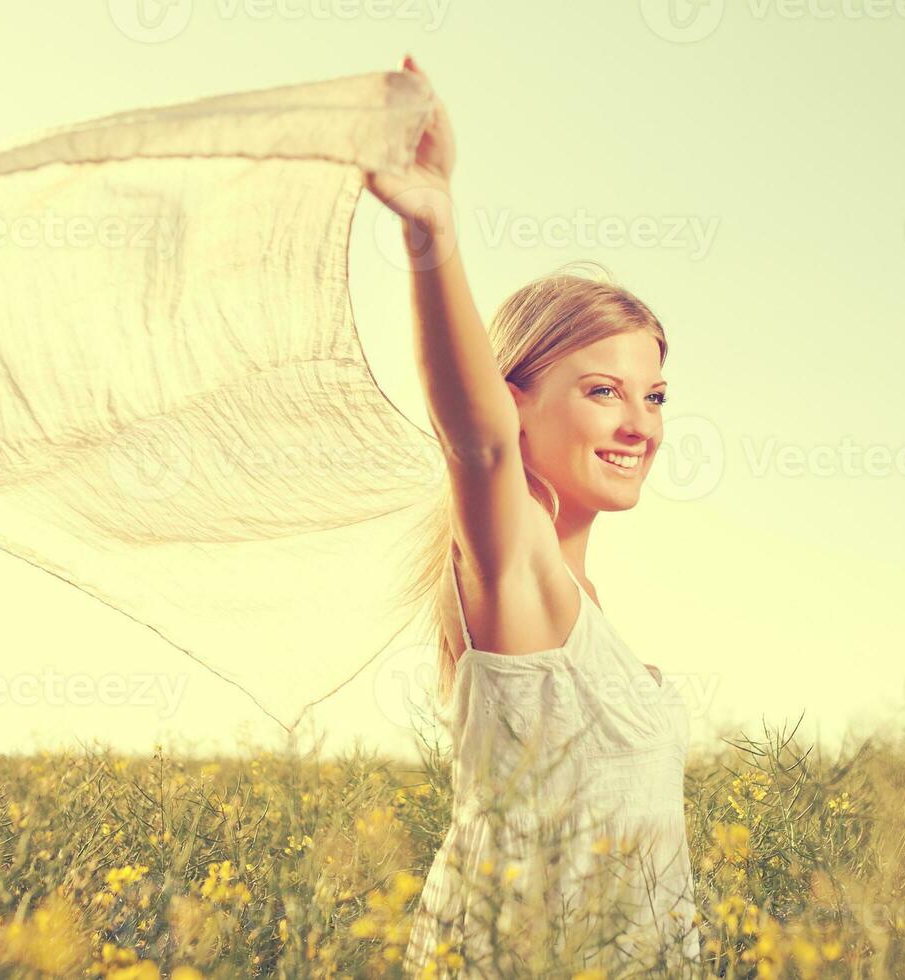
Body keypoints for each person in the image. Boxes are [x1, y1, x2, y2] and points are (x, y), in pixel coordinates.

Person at [366, 55, 702, 978]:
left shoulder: (573, 601)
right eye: (603, 391)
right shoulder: (522, 581)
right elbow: (474, 444)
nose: (640, 423)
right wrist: (432, 230)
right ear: (515, 403)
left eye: (657, 395)